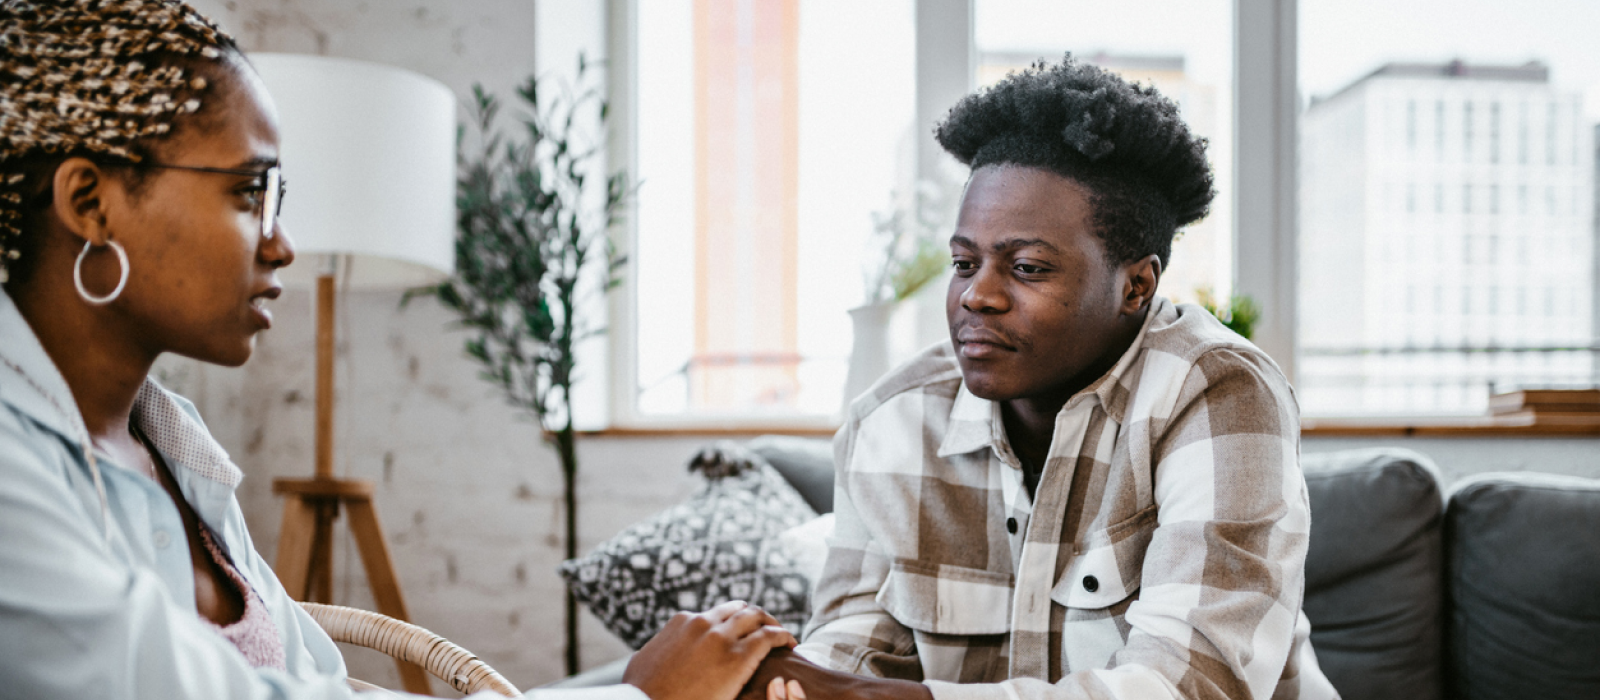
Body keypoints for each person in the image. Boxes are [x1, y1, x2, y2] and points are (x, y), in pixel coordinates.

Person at [0, 2, 797, 698]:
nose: (281, 244)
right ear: (89, 202)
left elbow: (314, 684)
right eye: (250, 192)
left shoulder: (168, 442)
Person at [739, 56, 1341, 700]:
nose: (977, 296)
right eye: (964, 262)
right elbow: (851, 654)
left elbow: (1194, 684)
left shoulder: (1219, 393)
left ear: (1136, 286)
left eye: (1026, 268)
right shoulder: (889, 421)